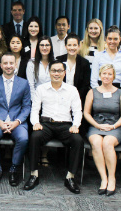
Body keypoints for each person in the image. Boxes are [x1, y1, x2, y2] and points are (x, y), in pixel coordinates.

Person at [23, 60, 83, 193]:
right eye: (54, 71)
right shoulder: (41, 89)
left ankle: (70, 177)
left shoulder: (72, 90)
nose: (57, 73)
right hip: (46, 124)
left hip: (65, 125)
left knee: (78, 140)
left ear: (64, 73)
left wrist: (75, 125)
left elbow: (77, 111)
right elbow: (35, 110)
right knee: (34, 137)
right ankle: (34, 174)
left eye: (60, 71)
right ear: (49, 73)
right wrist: (35, 123)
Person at [0, 53, 31, 187]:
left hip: (17, 122)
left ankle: (14, 169)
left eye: (11, 63)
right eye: (5, 63)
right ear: (1, 65)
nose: (8, 66)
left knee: (23, 139)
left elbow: (26, 106)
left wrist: (16, 122)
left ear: (15, 65)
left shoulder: (24, 83)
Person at [84, 64, 121, 196]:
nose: (106, 76)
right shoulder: (92, 92)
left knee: (107, 143)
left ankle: (112, 178)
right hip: (96, 125)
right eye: (104, 73)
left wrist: (113, 126)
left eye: (109, 74)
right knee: (97, 143)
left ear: (114, 76)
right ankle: (103, 178)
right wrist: (97, 126)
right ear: (100, 75)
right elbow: (86, 113)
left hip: (115, 126)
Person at [90, 25, 121, 95]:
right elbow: (93, 80)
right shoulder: (98, 56)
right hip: (101, 90)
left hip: (120, 91)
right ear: (106, 39)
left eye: (115, 39)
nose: (112, 41)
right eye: (110, 39)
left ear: (119, 39)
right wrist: (99, 94)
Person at [57, 33, 91, 111]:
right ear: (65, 46)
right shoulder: (59, 60)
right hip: (59, 99)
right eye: (69, 45)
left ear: (79, 46)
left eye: (74, 45)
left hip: (78, 100)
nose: (72, 48)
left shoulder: (84, 63)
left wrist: (75, 98)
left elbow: (85, 85)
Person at [26, 36, 55, 100]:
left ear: (50, 47)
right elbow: (31, 85)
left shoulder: (55, 63)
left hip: (53, 99)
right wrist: (35, 101)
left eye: (47, 45)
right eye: (42, 45)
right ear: (38, 47)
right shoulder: (31, 63)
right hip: (37, 98)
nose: (44, 48)